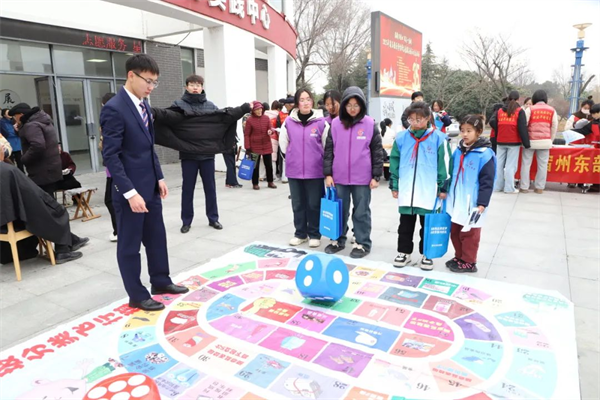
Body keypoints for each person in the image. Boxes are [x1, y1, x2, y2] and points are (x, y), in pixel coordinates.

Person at [100, 54, 188, 312]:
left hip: (150, 187)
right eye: (148, 81)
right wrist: (129, 192)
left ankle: (160, 281)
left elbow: (149, 148)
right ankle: (137, 295)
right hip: (130, 192)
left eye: (154, 82)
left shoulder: (144, 106)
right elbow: (111, 156)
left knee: (156, 237)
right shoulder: (114, 108)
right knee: (130, 245)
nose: (151, 87)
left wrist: (159, 177)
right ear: (131, 75)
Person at [389, 101, 451, 270]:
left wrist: (443, 187)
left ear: (428, 118)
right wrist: (395, 184)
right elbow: (394, 162)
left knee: (427, 225)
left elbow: (444, 165)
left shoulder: (438, 138)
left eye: (419, 119)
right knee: (405, 225)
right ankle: (404, 252)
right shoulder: (401, 138)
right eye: (411, 119)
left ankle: (427, 254)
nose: (415, 123)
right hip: (407, 189)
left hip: (428, 191)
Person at [323, 86, 384, 259]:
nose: (352, 108)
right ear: (343, 105)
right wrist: (328, 174)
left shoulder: (370, 124)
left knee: (361, 211)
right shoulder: (335, 124)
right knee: (340, 211)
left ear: (362, 106)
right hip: (339, 177)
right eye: (349, 105)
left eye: (356, 105)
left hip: (362, 178)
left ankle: (362, 243)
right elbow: (329, 151)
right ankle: (337, 239)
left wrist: (376, 176)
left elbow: (377, 151)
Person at [0, 161, 89, 264]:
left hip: (5, 222)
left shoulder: (7, 170)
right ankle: (62, 251)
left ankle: (72, 240)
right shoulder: (9, 170)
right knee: (58, 211)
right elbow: (31, 193)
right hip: (19, 219)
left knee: (46, 212)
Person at [172, 74, 222, 233]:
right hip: (188, 155)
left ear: (202, 87)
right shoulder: (178, 105)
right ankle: (186, 221)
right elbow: (171, 123)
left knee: (210, 188)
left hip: (207, 155)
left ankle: (213, 218)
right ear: (186, 86)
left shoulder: (210, 106)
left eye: (198, 85)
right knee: (187, 189)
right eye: (192, 85)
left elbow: (219, 124)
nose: (195, 87)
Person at [445, 115, 496, 273]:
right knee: (455, 230)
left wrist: (482, 203)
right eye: (462, 130)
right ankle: (459, 256)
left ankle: (469, 261)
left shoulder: (485, 154)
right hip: (456, 200)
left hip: (473, 203)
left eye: (469, 131)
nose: (465, 134)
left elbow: (487, 181)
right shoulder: (458, 151)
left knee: (469, 233)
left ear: (478, 132)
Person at [279, 88, 329, 248]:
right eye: (302, 100)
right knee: (298, 204)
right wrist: (292, 158)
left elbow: (327, 146)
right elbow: (283, 145)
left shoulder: (321, 122)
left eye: (308, 99)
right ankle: (300, 233)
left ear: (312, 101)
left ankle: (314, 234)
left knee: (314, 204)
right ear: (297, 103)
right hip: (294, 171)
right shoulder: (288, 122)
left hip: (315, 171)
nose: (305, 103)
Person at [8, 103, 62, 197]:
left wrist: (24, 159)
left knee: (44, 199)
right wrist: (19, 129)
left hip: (41, 169)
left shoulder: (31, 125)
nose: (14, 119)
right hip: (50, 166)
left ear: (20, 115)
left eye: (15, 116)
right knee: (48, 197)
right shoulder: (42, 120)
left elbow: (38, 145)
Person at [488, 90, 530, 194]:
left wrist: (500, 133)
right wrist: (526, 143)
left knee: (499, 165)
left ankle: (497, 187)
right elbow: (522, 128)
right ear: (518, 99)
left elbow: (494, 124)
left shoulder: (500, 111)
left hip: (500, 141)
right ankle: (509, 188)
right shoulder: (519, 111)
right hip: (513, 142)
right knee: (510, 166)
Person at [520, 90, 558, 194]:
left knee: (526, 164)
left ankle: (524, 187)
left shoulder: (530, 109)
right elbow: (554, 126)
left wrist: (524, 140)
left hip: (530, 141)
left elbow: (524, 124)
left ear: (534, 99)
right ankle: (539, 187)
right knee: (543, 165)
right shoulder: (552, 110)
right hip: (545, 142)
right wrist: (550, 140)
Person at [244, 101, 277, 190]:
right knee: (255, 166)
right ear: (253, 111)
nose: (259, 111)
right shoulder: (250, 120)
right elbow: (246, 134)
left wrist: (270, 131)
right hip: (254, 146)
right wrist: (247, 146)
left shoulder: (266, 118)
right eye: (257, 110)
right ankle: (255, 183)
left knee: (269, 165)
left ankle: (270, 182)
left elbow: (271, 128)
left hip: (266, 144)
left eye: (260, 109)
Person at [99, 92, 118, 242]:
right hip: (112, 170)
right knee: (112, 201)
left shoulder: (112, 121)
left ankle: (119, 231)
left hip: (115, 170)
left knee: (111, 201)